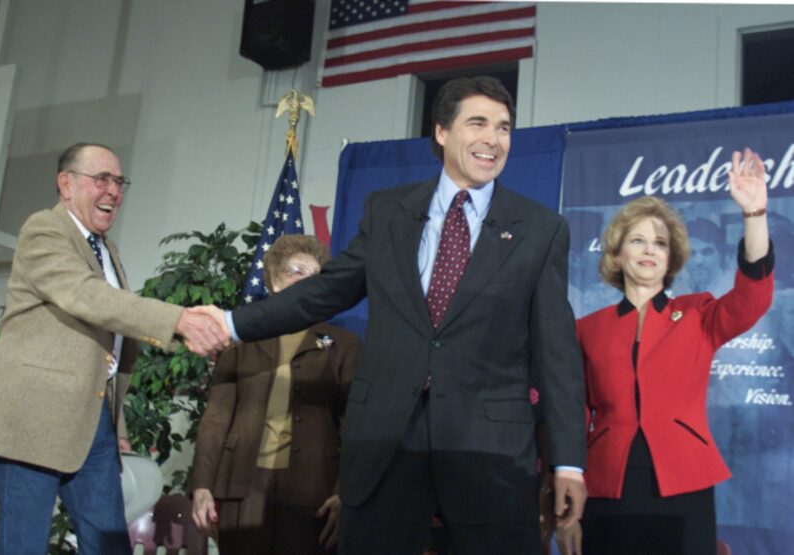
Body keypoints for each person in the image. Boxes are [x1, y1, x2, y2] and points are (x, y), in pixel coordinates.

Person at [209, 76, 587, 554]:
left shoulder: (540, 228)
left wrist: (569, 462)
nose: (493, 139)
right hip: (388, 441)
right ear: (442, 131)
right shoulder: (388, 211)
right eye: (478, 123)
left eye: (505, 128)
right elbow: (324, 291)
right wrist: (231, 323)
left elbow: (557, 353)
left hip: (489, 450)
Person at [0, 143, 230, 555]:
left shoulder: (107, 249)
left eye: (119, 181)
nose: (113, 190)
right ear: (66, 184)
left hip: (93, 423)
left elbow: (106, 345)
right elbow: (87, 297)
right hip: (33, 418)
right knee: (21, 545)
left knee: (109, 543)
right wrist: (178, 321)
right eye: (102, 179)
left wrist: (116, 427)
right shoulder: (44, 229)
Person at [563, 148, 774, 555]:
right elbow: (573, 416)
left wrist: (755, 214)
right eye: (637, 240)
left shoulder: (698, 314)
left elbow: (753, 298)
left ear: (671, 256)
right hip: (607, 485)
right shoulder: (586, 330)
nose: (649, 249)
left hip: (684, 482)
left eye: (659, 243)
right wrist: (565, 496)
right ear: (617, 254)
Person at [190, 235, 360, 553]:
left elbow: (353, 425)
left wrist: (344, 491)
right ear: (274, 281)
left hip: (313, 492)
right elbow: (216, 418)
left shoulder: (344, 346)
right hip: (242, 488)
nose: (305, 279)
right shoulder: (241, 340)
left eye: (314, 275)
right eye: (296, 270)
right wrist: (201, 485)